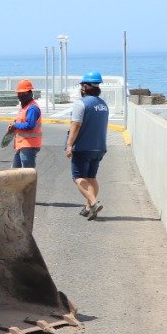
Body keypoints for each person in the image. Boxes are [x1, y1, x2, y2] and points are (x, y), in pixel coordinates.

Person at [66, 71, 110, 221]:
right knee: (91, 177)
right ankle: (87, 207)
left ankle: (93, 202)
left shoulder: (81, 103)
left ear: (85, 86)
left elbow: (76, 125)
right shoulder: (103, 105)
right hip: (99, 147)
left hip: (83, 147)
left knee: (78, 177)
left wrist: (69, 145)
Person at [7, 80, 43, 168]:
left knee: (28, 173)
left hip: (29, 145)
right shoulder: (24, 106)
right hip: (22, 144)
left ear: (29, 93)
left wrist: (15, 125)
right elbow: (22, 121)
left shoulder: (32, 108)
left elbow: (29, 125)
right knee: (15, 173)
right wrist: (14, 125)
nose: (20, 96)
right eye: (19, 93)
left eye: (22, 93)